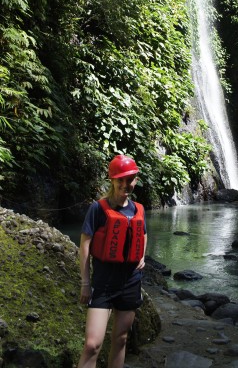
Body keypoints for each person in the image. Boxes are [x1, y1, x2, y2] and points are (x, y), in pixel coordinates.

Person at [77, 154, 147, 368]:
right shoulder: (98, 208)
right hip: (104, 282)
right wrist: (85, 283)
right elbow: (85, 245)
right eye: (121, 180)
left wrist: (142, 255)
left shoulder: (138, 209)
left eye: (130, 179)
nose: (125, 184)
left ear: (135, 180)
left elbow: (143, 233)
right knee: (92, 344)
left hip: (130, 280)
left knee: (121, 339)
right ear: (113, 180)